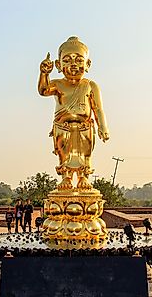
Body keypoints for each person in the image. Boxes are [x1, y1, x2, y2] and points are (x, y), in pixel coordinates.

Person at [38, 37, 109, 191]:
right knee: (64, 152)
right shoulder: (58, 84)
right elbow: (43, 91)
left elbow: (98, 109)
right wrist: (44, 74)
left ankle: (84, 176)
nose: (73, 65)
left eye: (78, 60)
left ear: (88, 64)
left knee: (85, 152)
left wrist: (103, 126)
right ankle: (66, 177)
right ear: (58, 64)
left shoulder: (90, 85)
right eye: (67, 60)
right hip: (62, 127)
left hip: (85, 127)